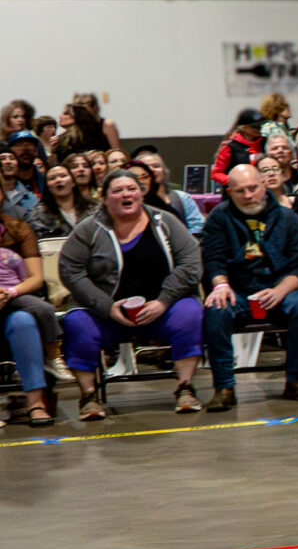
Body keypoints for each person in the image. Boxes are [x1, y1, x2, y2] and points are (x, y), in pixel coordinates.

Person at [59, 169, 205, 419]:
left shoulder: (165, 221)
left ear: (141, 193)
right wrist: (106, 306)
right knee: (76, 323)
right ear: (104, 198)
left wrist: (163, 301)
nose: (126, 194)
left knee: (191, 312)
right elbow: (70, 270)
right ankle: (89, 396)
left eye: (131, 189)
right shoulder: (89, 228)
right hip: (108, 314)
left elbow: (191, 262)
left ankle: (185, 387)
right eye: (117, 191)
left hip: (161, 309)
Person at [198, 162, 298, 412]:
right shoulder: (219, 218)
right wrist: (221, 285)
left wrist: (280, 291)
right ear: (229, 191)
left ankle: (296, 380)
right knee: (216, 310)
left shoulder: (289, 218)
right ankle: (224, 388)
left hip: (280, 287)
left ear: (264, 183)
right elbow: (213, 259)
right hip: (238, 290)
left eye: (253, 188)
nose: (248, 195)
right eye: (240, 191)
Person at [1, 211, 61, 425]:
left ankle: (36, 404)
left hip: (14, 300)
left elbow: (35, 279)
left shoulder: (18, 229)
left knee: (24, 322)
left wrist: (9, 293)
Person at [34, 159, 96, 239]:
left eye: (63, 176)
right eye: (52, 178)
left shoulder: (93, 208)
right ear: (47, 187)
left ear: (73, 182)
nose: (58, 180)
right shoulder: (39, 214)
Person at [210, 110, 267, 182]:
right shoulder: (230, 147)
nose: (259, 129)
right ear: (243, 128)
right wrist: (234, 182)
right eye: (255, 127)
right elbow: (216, 173)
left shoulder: (265, 143)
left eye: (260, 126)